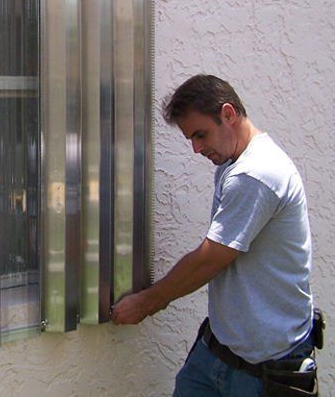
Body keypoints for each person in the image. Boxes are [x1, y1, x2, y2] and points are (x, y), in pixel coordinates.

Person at [111, 74, 315, 396]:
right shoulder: (233, 162)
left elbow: (211, 259)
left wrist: (148, 302)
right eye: (190, 139)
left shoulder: (257, 174)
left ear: (228, 114)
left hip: (265, 368)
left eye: (200, 135)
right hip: (218, 351)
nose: (196, 148)